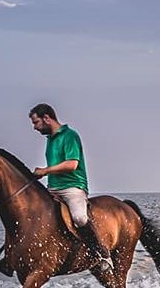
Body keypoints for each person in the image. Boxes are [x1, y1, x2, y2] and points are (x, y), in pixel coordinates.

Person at [29, 103, 114, 273]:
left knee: (80, 218)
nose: (35, 127)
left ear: (47, 118)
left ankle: (102, 254)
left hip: (72, 187)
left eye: (36, 122)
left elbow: (72, 164)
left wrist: (45, 171)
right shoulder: (50, 140)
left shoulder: (70, 136)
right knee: (30, 213)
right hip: (53, 188)